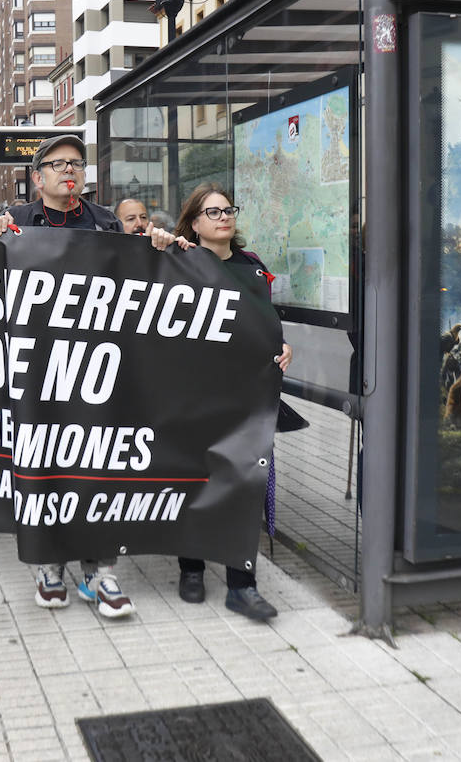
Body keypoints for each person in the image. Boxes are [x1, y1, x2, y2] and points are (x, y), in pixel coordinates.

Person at [0, 134, 179, 619]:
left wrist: (157, 246)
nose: (69, 171)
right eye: (58, 164)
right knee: (44, 462)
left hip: (96, 368)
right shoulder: (17, 223)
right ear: (38, 176)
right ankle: (50, 565)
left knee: (97, 466)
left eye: (76, 163)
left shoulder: (107, 223)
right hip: (37, 371)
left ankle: (100, 571)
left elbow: (141, 282)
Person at [170, 183, 292, 622]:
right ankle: (191, 569)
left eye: (228, 210)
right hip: (194, 395)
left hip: (244, 397)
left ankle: (242, 585)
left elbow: (265, 326)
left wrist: (283, 348)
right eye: (213, 211)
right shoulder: (178, 262)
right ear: (195, 222)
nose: (223, 217)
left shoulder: (253, 268)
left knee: (242, 486)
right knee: (194, 480)